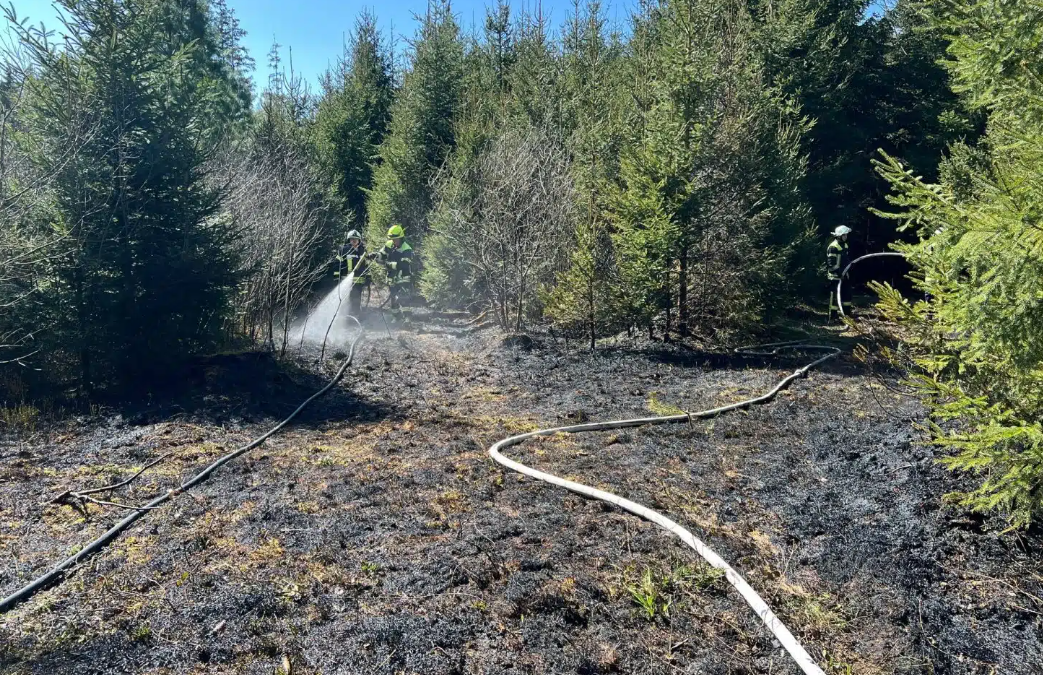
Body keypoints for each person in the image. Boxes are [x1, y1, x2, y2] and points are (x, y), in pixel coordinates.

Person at [372, 224, 414, 320]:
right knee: (393, 298)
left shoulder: (407, 249)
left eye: (396, 239)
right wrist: (374, 256)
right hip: (392, 277)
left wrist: (387, 264)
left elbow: (403, 265)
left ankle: (408, 319)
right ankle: (397, 318)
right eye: (392, 239)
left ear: (401, 238)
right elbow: (382, 254)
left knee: (403, 298)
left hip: (403, 277)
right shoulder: (389, 244)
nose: (394, 241)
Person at [335, 229, 369, 317]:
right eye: (352, 239)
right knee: (345, 299)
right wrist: (336, 277)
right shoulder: (343, 250)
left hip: (358, 281)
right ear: (349, 240)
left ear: (359, 240)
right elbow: (337, 264)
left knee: (356, 299)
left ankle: (355, 316)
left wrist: (368, 278)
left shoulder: (363, 251)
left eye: (356, 239)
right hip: (345, 280)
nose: (354, 241)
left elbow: (367, 266)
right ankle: (344, 316)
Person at [827, 225, 852, 319]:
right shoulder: (833, 247)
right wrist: (840, 273)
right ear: (839, 236)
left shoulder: (845, 245)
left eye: (846, 235)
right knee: (834, 298)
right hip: (835, 277)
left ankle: (847, 316)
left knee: (847, 296)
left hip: (845, 275)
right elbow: (831, 264)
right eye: (844, 235)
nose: (846, 237)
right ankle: (832, 317)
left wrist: (847, 272)